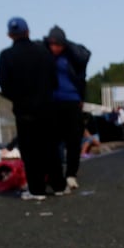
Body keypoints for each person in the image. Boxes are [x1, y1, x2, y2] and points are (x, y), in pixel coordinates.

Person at [0, 16, 61, 200]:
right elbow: (54, 81)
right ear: (28, 32)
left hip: (24, 110)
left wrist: (19, 97)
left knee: (31, 151)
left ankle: (37, 189)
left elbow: (4, 84)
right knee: (50, 147)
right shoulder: (44, 52)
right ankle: (58, 185)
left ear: (10, 35)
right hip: (47, 107)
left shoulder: (6, 56)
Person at [45, 25, 90, 191]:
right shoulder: (45, 55)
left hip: (72, 100)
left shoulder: (73, 56)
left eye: (58, 44)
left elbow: (85, 56)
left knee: (73, 140)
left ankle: (71, 174)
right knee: (54, 141)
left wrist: (67, 44)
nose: (54, 48)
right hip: (52, 101)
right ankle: (55, 175)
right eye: (51, 44)